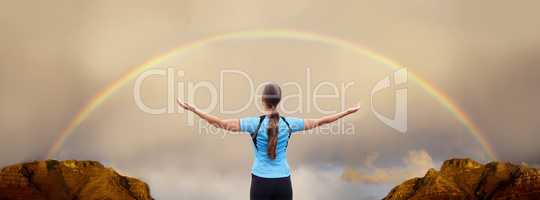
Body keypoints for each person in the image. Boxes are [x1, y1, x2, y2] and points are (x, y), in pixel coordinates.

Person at [176, 83, 360, 200]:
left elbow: (219, 124)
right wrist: (347, 111)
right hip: (283, 182)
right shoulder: (290, 123)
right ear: (278, 101)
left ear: (263, 100)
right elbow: (322, 121)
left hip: (260, 182)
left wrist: (193, 109)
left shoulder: (253, 123)